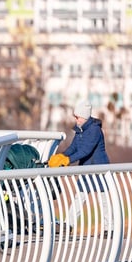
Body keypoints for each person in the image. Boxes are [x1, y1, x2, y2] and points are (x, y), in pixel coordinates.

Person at [47, 98, 112, 232]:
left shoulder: (94, 130)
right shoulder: (80, 130)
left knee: (103, 199)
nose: (76, 120)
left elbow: (85, 150)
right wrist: (62, 156)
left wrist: (68, 161)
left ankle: (109, 227)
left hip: (100, 168)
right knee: (79, 196)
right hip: (86, 168)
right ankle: (68, 224)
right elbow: (74, 147)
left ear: (85, 116)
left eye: (78, 117)